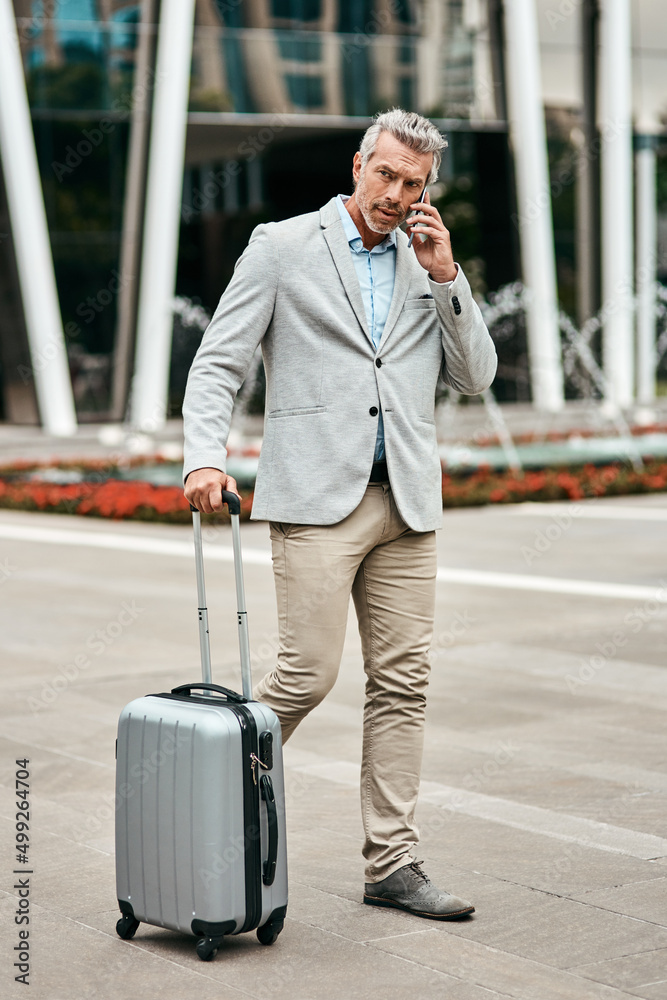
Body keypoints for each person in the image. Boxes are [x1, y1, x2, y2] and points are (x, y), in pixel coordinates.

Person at [183, 108, 497, 920]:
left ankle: (391, 862)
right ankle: (205, 796)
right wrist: (204, 458)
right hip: (318, 501)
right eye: (385, 174)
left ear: (428, 188)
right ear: (359, 163)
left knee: (402, 684)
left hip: (407, 504)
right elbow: (217, 361)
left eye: (413, 183)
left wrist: (445, 277)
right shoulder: (282, 247)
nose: (395, 194)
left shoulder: (427, 259)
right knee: (306, 675)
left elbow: (475, 378)